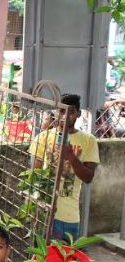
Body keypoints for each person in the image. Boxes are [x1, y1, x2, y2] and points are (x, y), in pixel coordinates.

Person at [30, 94, 99, 240]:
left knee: (66, 260)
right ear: (56, 112)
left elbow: (88, 177)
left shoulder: (88, 141)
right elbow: (34, 176)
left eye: (71, 112)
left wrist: (71, 157)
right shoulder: (43, 137)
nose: (65, 116)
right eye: (61, 111)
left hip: (70, 216)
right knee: (42, 260)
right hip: (45, 212)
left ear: (78, 114)